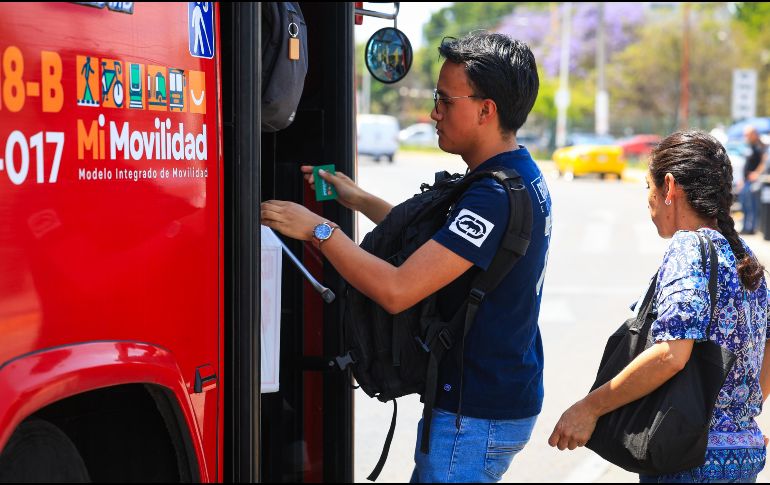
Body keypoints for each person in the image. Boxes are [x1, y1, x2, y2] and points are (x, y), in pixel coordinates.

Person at [261, 32, 551, 483]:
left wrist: (320, 231)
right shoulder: (518, 173)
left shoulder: (492, 196)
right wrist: (359, 199)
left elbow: (398, 289)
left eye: (444, 99)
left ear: (485, 110)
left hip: (473, 416)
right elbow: (443, 250)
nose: (434, 111)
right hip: (492, 400)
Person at [548, 131, 770, 483]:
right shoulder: (744, 253)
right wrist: (743, 415)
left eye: (647, 188)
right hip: (742, 453)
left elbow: (671, 355)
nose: (648, 201)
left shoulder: (689, 247)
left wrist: (588, 409)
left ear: (669, 187)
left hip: (689, 459)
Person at [739, 125, 767, 235]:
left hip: (753, 181)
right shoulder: (750, 146)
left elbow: (764, 162)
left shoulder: (759, 146)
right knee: (744, 204)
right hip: (746, 180)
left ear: (754, 134)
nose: (746, 137)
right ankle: (746, 226)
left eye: (748, 134)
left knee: (751, 205)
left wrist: (757, 173)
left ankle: (751, 227)